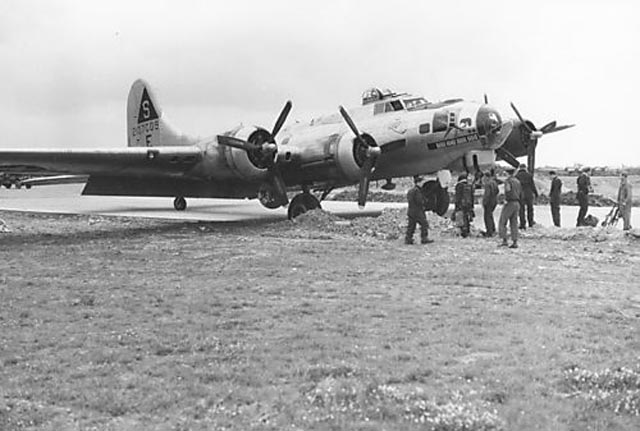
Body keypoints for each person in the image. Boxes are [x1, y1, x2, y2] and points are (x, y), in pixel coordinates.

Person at [405, 175, 433, 244]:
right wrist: (425, 202)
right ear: (418, 182)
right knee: (424, 224)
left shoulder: (410, 191)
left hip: (411, 210)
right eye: (422, 182)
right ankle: (424, 238)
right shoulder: (417, 191)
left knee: (411, 226)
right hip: (418, 211)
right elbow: (419, 201)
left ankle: (408, 239)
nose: (423, 183)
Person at [498, 168, 521, 248]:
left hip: (510, 202)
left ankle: (504, 240)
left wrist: (504, 199)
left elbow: (508, 190)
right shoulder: (517, 181)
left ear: (507, 173)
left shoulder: (508, 181)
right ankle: (515, 241)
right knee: (514, 223)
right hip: (517, 203)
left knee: (502, 221)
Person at [515, 163, 538, 229]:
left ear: (519, 168)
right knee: (530, 209)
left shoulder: (517, 176)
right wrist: (536, 193)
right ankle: (530, 223)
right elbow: (532, 185)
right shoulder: (529, 175)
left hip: (520, 194)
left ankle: (522, 224)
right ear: (525, 168)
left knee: (521, 210)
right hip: (529, 194)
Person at [454, 173, 474, 238]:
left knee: (461, 217)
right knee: (467, 217)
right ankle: (467, 231)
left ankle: (463, 232)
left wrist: (456, 205)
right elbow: (472, 196)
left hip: (461, 204)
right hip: (468, 204)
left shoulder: (459, 185)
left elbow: (458, 196)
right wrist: (472, 206)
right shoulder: (469, 185)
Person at [482, 171, 499, 236]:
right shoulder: (494, 182)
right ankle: (493, 229)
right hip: (494, 201)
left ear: (486, 177)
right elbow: (497, 191)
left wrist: (484, 202)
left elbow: (487, 194)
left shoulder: (488, 184)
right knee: (490, 215)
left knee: (487, 217)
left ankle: (489, 231)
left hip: (489, 202)